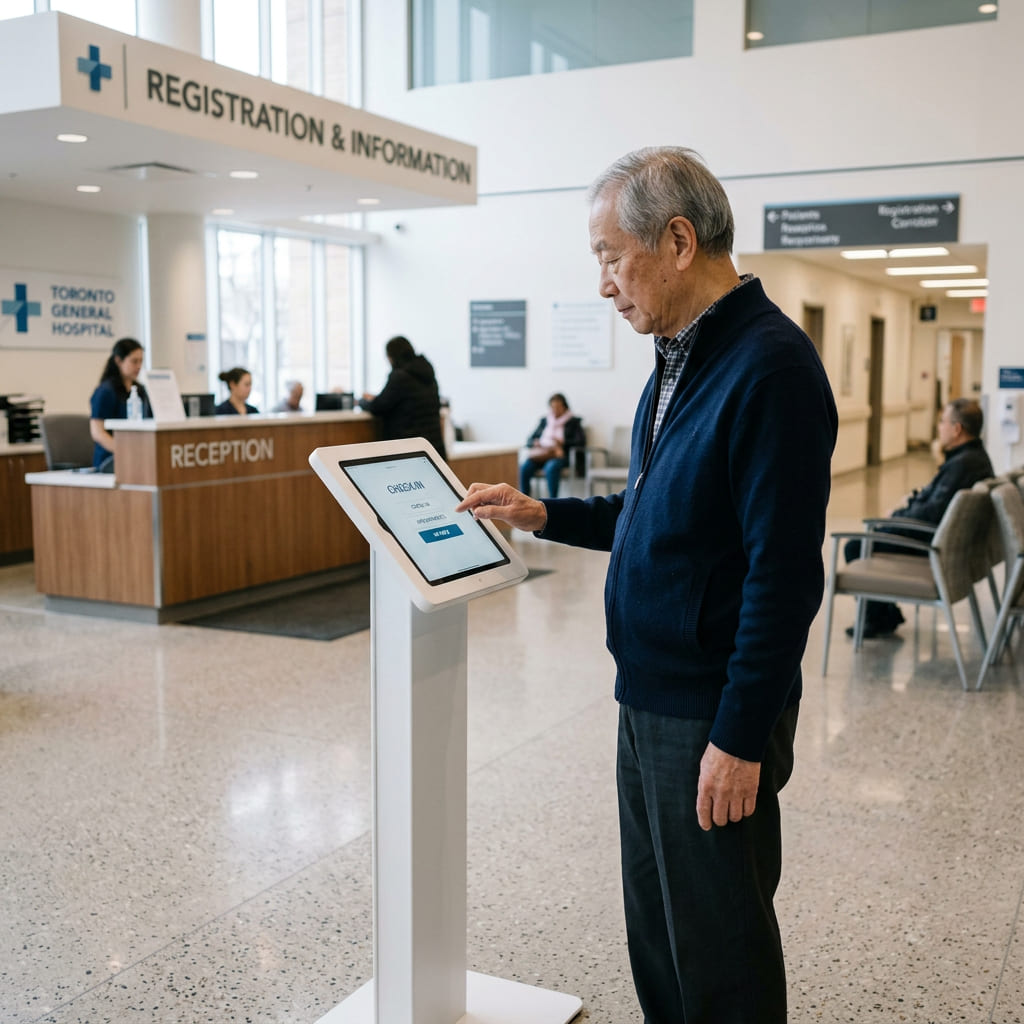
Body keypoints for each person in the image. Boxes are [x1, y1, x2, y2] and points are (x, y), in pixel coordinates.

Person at [456, 147, 837, 1024]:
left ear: (677, 241)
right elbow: (657, 507)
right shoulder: (679, 355)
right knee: (661, 928)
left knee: (718, 941)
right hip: (650, 693)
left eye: (610, 257)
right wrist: (544, 513)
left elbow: (783, 577)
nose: (604, 285)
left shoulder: (769, 367)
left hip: (709, 711)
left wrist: (738, 737)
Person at [844, 397, 993, 638]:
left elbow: (930, 515)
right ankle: (884, 614)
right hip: (945, 541)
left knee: (856, 546)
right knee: (872, 536)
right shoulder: (974, 459)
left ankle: (878, 618)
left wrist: (894, 519)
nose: (939, 427)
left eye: (942, 421)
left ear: (957, 429)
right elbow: (935, 503)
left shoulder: (962, 464)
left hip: (931, 542)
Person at [359, 335, 446, 458]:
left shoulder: (399, 377)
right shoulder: (428, 375)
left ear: (391, 357)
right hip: (434, 448)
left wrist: (362, 402)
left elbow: (378, 406)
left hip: (409, 449)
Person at [89, 337, 152, 471]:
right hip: (110, 460)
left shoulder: (140, 390)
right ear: (118, 361)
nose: (139, 366)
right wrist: (125, 451)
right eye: (134, 361)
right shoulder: (105, 391)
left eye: (141, 361)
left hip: (137, 456)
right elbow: (97, 432)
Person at [519, 392, 586, 497]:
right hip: (542, 454)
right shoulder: (545, 421)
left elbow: (580, 442)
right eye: (553, 407)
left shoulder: (573, 422)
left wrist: (563, 443)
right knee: (525, 467)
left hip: (561, 455)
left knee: (551, 467)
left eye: (558, 407)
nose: (555, 410)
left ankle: (553, 500)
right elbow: (530, 439)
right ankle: (523, 498)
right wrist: (535, 442)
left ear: (564, 407)